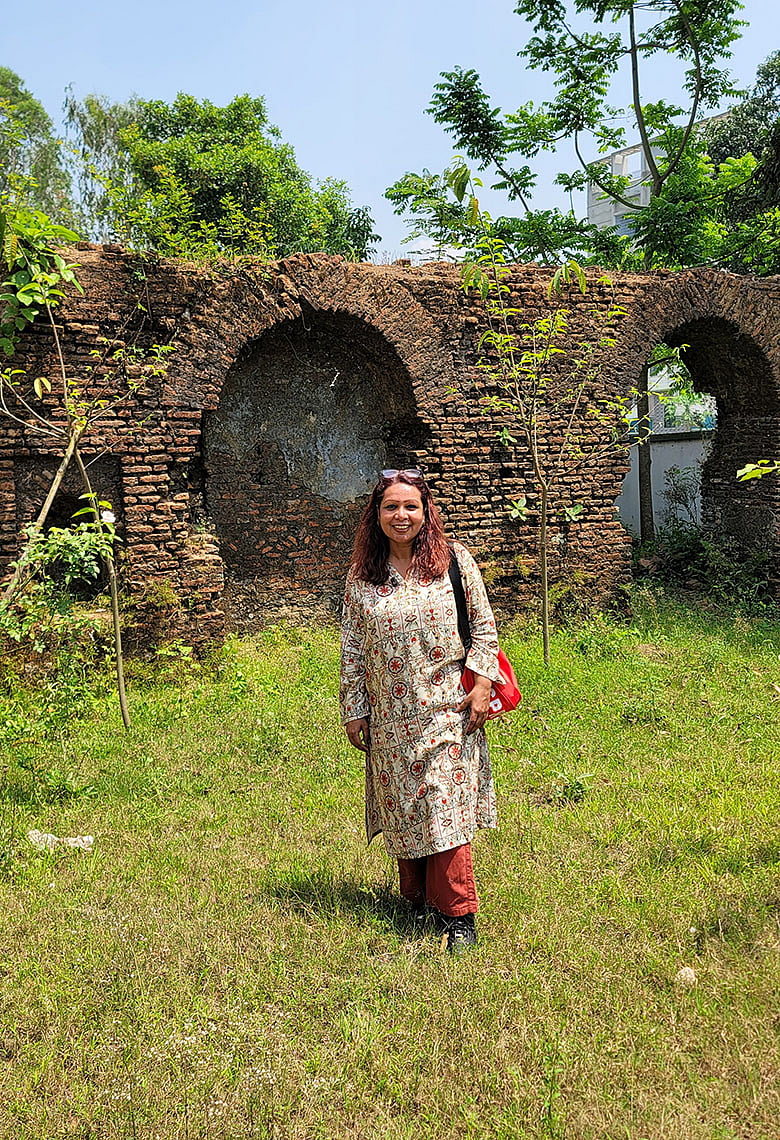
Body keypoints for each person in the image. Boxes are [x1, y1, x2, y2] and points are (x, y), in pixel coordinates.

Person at [340, 468, 500, 954]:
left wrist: (482, 685)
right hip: (390, 718)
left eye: (411, 506)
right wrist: (354, 709)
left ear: (426, 512)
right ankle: (417, 902)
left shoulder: (454, 563)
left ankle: (458, 915)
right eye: (391, 507)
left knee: (444, 811)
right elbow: (351, 650)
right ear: (377, 516)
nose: (401, 515)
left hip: (449, 711)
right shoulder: (363, 577)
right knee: (407, 808)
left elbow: (484, 626)